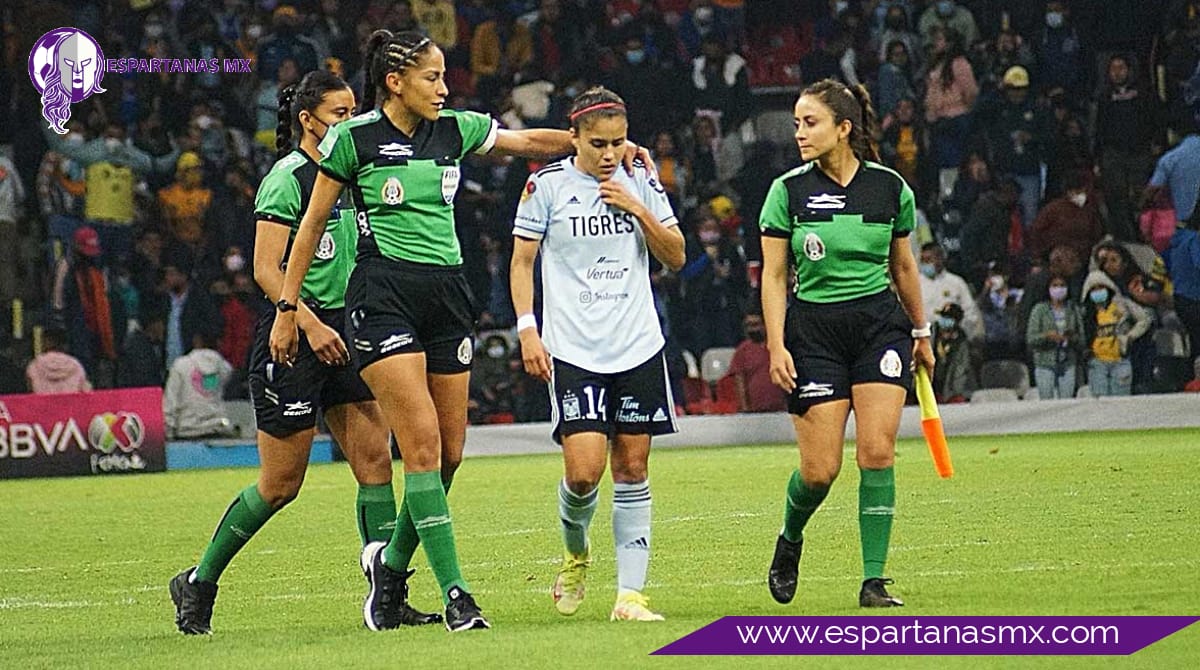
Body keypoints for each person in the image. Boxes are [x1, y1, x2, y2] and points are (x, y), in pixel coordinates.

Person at [267, 30, 651, 633]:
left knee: (448, 457)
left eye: (445, 77)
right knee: (419, 450)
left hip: (448, 298)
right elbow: (312, 224)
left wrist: (609, 149)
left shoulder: (457, 129)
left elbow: (527, 142)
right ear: (395, 83)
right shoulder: (354, 138)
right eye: (432, 78)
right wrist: (289, 310)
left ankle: (389, 579)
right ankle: (457, 596)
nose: (444, 89)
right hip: (383, 297)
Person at [169, 70, 429, 636]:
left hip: (351, 330)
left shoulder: (356, 170)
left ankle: (386, 599)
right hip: (296, 334)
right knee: (281, 484)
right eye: (339, 114)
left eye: (354, 112)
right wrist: (307, 324)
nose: (351, 122)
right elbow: (266, 268)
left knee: (376, 464)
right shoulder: (287, 178)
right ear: (308, 120)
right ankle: (200, 580)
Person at [509, 87, 685, 623]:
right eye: (597, 143)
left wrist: (637, 206)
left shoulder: (641, 179)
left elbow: (676, 255)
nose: (609, 154)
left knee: (632, 467)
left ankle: (629, 597)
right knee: (584, 473)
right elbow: (521, 264)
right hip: (574, 348)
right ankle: (576, 553)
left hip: (637, 345)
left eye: (617, 142)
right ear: (575, 138)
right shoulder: (546, 185)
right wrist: (527, 329)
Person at [759, 79, 934, 609]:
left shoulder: (890, 189)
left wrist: (921, 332)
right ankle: (790, 539)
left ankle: (874, 581)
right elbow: (772, 276)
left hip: (879, 327)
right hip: (813, 333)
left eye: (809, 123)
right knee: (820, 470)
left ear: (844, 128)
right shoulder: (787, 191)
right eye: (796, 124)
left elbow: (903, 266)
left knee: (877, 452)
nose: (799, 134)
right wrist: (775, 346)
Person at [1081, 270, 1151, 396]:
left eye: (1101, 287)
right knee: (1099, 404)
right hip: (1097, 363)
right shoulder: (1085, 312)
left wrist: (1130, 336)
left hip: (1120, 360)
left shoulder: (1121, 304)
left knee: (1121, 403)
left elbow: (1145, 318)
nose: (1098, 292)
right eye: (1094, 289)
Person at [163, 332, 236, 439]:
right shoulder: (224, 368)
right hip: (217, 430)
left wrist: (168, 434)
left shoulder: (180, 366)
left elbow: (170, 404)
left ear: (196, 340)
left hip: (186, 432)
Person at [1026, 275, 1085, 399]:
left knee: (1067, 401)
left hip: (1068, 362)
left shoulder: (1073, 309)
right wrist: (1047, 336)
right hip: (1045, 362)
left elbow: (1082, 339)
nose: (1059, 289)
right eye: (1055, 285)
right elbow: (1031, 339)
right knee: (1047, 401)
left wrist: (1072, 337)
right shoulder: (1039, 309)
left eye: (1062, 285)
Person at [726, 312, 787, 413]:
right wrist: (745, 408)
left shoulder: (780, 346)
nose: (751, 329)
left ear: (765, 325)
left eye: (755, 325)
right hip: (755, 411)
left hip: (783, 410)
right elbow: (739, 382)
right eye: (748, 326)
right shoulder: (742, 350)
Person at [26, 327, 91, 394]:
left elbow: (30, 391)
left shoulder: (34, 365)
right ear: (65, 345)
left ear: (44, 343)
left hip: (42, 404)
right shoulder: (76, 365)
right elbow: (86, 390)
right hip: (71, 403)